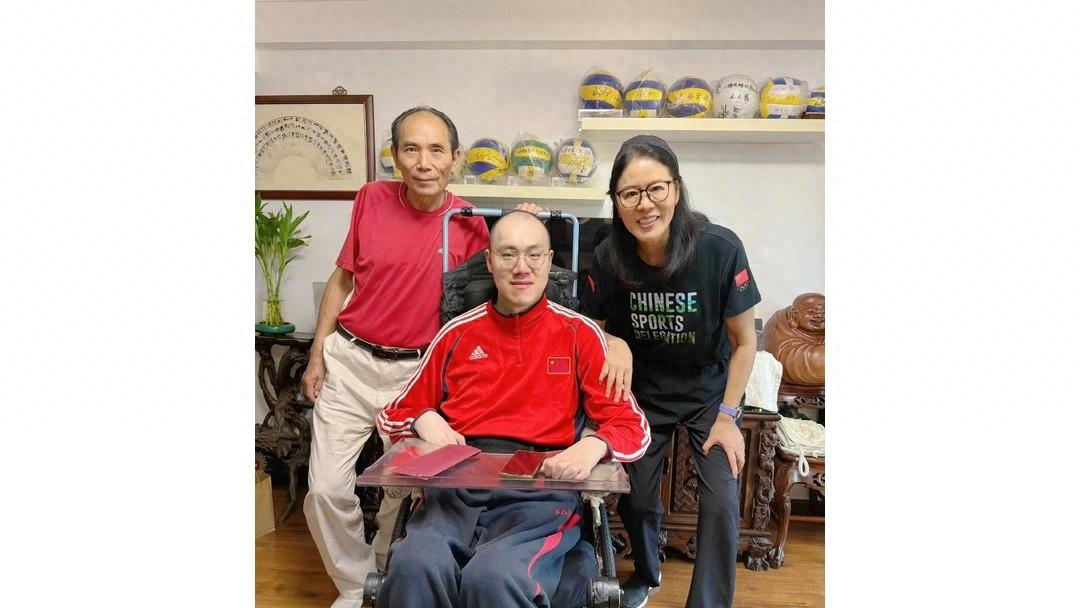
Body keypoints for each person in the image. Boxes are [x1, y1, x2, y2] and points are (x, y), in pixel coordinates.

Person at [374, 211, 651, 608]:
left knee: (494, 577)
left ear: (549, 261)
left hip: (539, 494)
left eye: (534, 255)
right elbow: (395, 411)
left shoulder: (580, 334)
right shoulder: (456, 333)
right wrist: (423, 418)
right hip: (456, 488)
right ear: (489, 262)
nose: (522, 267)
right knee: (413, 564)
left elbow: (632, 425)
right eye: (508, 254)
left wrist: (592, 447)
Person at [300, 106, 492, 608]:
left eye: (436, 150)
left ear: (456, 158)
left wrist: (525, 223)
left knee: (401, 489)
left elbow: (488, 307)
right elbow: (343, 278)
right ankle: (354, 582)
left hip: (416, 373)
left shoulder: (471, 223)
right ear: (395, 156)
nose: (424, 162)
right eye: (411, 149)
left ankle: (383, 578)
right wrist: (318, 351)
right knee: (324, 489)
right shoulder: (370, 198)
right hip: (350, 359)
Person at [580, 135, 761, 608]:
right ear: (617, 201)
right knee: (636, 496)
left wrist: (728, 417)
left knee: (721, 499)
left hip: (710, 391)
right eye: (630, 194)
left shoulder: (719, 249)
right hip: (644, 392)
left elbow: (745, 342)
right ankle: (646, 571)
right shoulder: (608, 257)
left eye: (656, 188)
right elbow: (591, 331)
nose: (645, 205)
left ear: (676, 189)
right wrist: (614, 341)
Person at [761, 292, 825, 386]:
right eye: (811, 312)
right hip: (799, 365)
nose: (819, 316)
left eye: (824, 312)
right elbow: (780, 360)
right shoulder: (780, 324)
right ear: (795, 313)